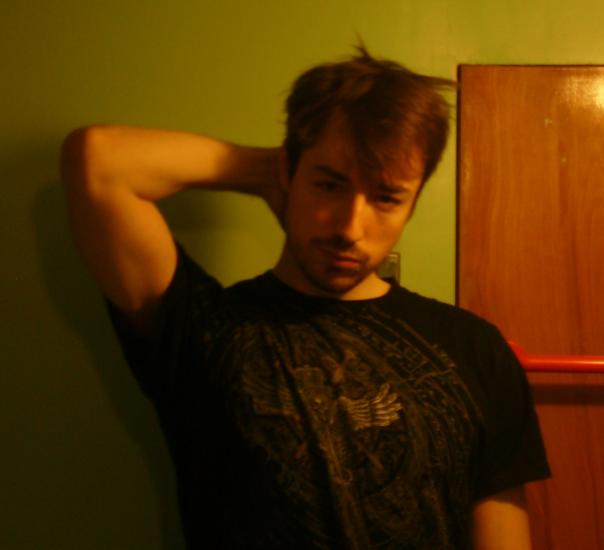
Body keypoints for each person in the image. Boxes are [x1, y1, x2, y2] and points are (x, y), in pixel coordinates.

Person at [60, 46, 550, 549]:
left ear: (413, 202)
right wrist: (262, 170)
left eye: (386, 197)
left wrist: (309, 177)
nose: (349, 228)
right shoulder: (206, 330)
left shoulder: (475, 350)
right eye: (329, 184)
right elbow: (98, 161)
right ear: (289, 172)